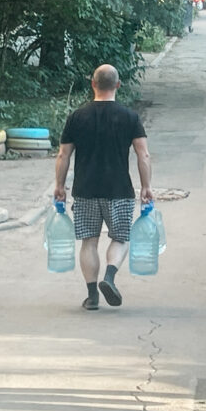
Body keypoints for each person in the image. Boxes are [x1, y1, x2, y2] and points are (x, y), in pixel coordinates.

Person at [54, 64, 154, 311]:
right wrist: (146, 186)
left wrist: (59, 185)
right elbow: (144, 155)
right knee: (120, 238)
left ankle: (92, 297)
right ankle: (109, 277)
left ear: (93, 84)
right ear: (118, 85)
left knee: (89, 241)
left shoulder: (77, 116)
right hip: (118, 190)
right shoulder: (130, 117)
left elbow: (63, 155)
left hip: (85, 189)